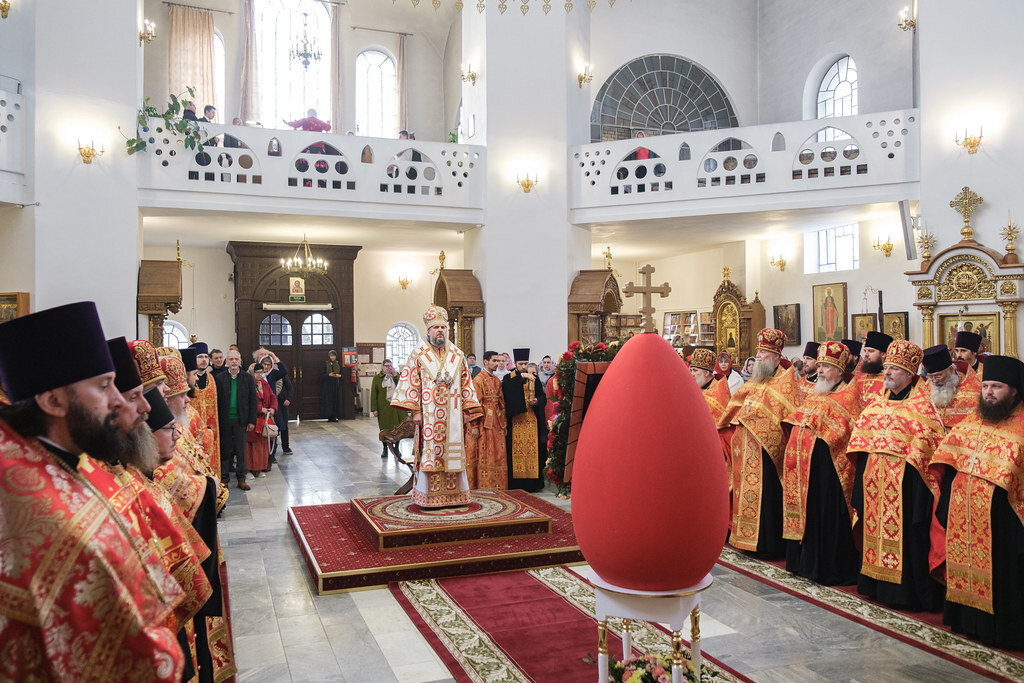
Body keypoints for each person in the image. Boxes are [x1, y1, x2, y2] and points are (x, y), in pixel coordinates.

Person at [0, 301, 185, 681]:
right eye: (104, 387)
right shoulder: (38, 506)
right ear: (53, 401)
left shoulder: (61, 460)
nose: (119, 402)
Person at [932, 355, 1024, 648]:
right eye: (985, 386)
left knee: (1004, 575)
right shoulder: (971, 421)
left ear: (1014, 391)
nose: (989, 393)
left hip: (1005, 523)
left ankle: (1003, 631)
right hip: (964, 516)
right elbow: (948, 458)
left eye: (997, 386)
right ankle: (966, 621)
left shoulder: (1022, 428)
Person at [848, 339, 946, 611]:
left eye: (894, 369)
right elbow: (860, 447)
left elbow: (929, 455)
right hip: (872, 486)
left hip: (906, 491)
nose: (887, 373)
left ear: (910, 374)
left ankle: (905, 595)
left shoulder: (923, 410)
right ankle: (873, 585)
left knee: (908, 542)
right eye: (887, 367)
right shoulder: (875, 407)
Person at [717, 329, 802, 557]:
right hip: (744, 450)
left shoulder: (786, 382)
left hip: (769, 454)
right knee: (745, 494)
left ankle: (767, 544)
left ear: (776, 357)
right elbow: (731, 410)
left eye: (764, 352)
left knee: (768, 498)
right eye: (758, 351)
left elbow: (791, 417)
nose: (759, 356)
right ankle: (744, 540)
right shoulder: (753, 382)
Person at [782, 341, 861, 585]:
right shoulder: (817, 393)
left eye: (827, 367)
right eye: (822, 366)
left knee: (826, 516)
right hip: (805, 470)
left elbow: (847, 432)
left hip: (830, 472)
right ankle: (804, 562)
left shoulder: (849, 395)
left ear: (839, 370)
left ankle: (828, 568)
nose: (822, 371)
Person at [390, 305, 483, 507]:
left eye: (443, 327)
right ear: (428, 331)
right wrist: (416, 411)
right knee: (431, 454)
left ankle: (456, 496)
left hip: (454, 417)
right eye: (436, 327)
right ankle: (428, 498)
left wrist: (468, 410)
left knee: (454, 454)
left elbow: (466, 383)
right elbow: (411, 383)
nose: (440, 330)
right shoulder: (418, 355)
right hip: (429, 416)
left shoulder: (457, 355)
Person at [503, 348, 548, 493]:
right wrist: (521, 378)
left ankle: (532, 483)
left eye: (526, 363)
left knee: (532, 452)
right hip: (516, 421)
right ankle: (517, 483)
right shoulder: (509, 377)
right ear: (515, 363)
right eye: (521, 363)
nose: (523, 366)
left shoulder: (534, 377)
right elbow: (508, 393)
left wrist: (537, 401)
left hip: (531, 421)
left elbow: (543, 397)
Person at [215, 349, 258, 490]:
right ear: (226, 362)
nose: (233, 361)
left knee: (241, 451)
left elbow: (253, 401)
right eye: (231, 359)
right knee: (225, 449)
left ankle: (241, 478)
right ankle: (225, 479)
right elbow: (216, 401)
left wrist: (252, 421)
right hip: (224, 419)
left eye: (236, 359)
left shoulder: (248, 378)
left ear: (240, 362)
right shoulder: (220, 378)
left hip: (242, 420)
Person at [466, 351, 507, 489]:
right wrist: (475, 425)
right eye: (494, 360)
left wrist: (504, 422)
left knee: (498, 453)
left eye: (498, 361)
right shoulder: (478, 380)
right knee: (484, 453)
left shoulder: (496, 380)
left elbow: (501, 402)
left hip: (497, 422)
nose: (497, 363)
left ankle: (498, 485)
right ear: (485, 362)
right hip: (484, 421)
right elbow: (474, 403)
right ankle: (484, 485)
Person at [922, 344, 980, 430]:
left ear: (951, 370)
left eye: (938, 376)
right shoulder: (924, 389)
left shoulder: (973, 390)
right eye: (930, 376)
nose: (934, 381)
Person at [188, 340, 222, 475]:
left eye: (206, 357)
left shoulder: (215, 380)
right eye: (200, 357)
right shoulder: (188, 382)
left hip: (213, 431)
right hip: (193, 431)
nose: (204, 360)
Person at [247, 360, 277, 477]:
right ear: (251, 373)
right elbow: (247, 401)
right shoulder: (248, 383)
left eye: (261, 372)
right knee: (250, 446)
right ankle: (249, 470)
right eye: (257, 373)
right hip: (252, 419)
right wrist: (260, 409)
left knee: (262, 445)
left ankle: (260, 469)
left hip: (264, 420)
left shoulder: (264, 383)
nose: (259, 375)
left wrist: (273, 408)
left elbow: (273, 397)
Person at [371, 359, 405, 457]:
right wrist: (374, 409)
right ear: (382, 367)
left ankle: (396, 449)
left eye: (390, 366)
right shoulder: (377, 378)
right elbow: (374, 394)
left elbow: (402, 386)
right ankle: (385, 448)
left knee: (398, 429)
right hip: (384, 408)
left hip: (396, 408)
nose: (388, 368)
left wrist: (395, 375)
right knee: (384, 429)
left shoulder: (397, 376)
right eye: (386, 366)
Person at [262, 352, 293, 456]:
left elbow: (284, 371)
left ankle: (272, 454)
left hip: (272, 406)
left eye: (268, 365)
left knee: (273, 430)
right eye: (264, 364)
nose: (266, 367)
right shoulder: (257, 374)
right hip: (261, 406)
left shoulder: (273, 374)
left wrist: (276, 359)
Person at [690, 347, 731, 424]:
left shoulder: (719, 393)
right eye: (691, 370)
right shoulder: (699, 386)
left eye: (695, 371)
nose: (692, 374)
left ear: (706, 373)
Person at [851, 331, 892, 408]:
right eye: (865, 351)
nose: (866, 354)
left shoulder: (890, 379)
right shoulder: (859, 376)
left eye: (871, 351)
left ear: (883, 354)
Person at [322, 349, 343, 421]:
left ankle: (335, 416)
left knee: (336, 401)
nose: (332, 357)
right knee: (328, 401)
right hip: (328, 386)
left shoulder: (338, 364)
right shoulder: (326, 364)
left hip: (336, 385)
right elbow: (322, 375)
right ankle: (329, 416)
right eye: (331, 356)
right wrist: (329, 375)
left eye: (333, 356)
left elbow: (342, 375)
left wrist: (339, 376)